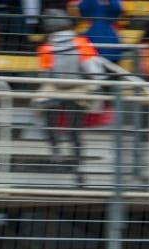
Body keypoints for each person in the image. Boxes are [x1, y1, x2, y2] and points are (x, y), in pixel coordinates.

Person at [34, 8, 105, 177]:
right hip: (77, 88)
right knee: (74, 130)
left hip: (54, 88)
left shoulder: (45, 47)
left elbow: (44, 74)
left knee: (47, 119)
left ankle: (56, 153)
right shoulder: (82, 42)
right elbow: (94, 71)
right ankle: (77, 163)